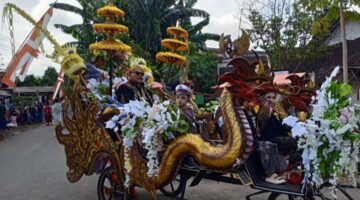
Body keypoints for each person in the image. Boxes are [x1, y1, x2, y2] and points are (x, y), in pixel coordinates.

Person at [256, 91, 297, 185]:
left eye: (273, 97)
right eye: (268, 97)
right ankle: (272, 174)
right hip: (268, 138)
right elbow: (262, 124)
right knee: (290, 142)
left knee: (297, 140)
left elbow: (283, 126)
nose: (271, 100)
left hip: (278, 137)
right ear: (263, 99)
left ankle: (288, 168)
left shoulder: (277, 112)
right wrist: (269, 112)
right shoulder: (262, 111)